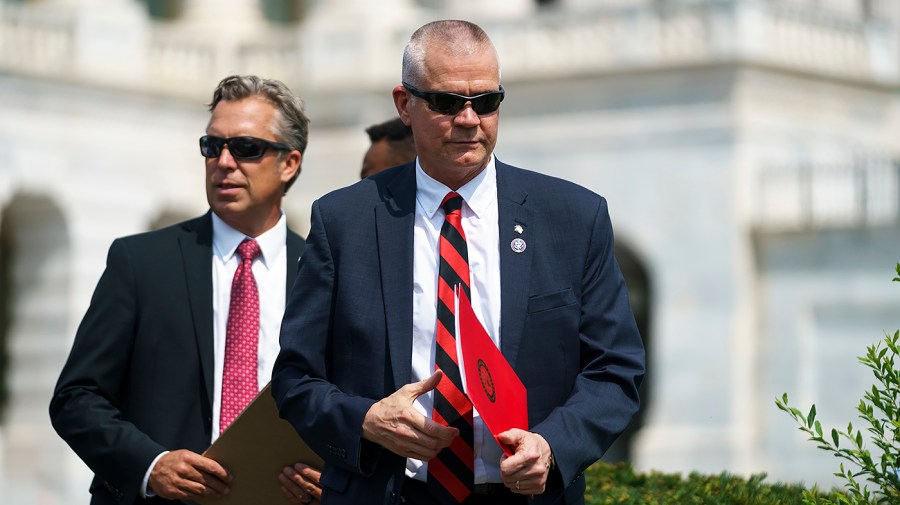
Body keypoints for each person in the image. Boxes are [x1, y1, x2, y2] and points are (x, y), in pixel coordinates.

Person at [272, 20, 645, 505]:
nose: (469, 119)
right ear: (404, 105)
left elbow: (615, 369)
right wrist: (365, 421)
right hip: (389, 492)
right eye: (447, 103)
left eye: (486, 101)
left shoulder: (574, 219)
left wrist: (553, 446)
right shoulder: (343, 221)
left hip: (522, 494)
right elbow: (296, 378)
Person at [49, 75, 321, 504]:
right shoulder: (141, 263)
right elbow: (76, 399)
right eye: (213, 147)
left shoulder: (322, 274)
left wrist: (331, 477)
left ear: (289, 163)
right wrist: (151, 465)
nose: (224, 162)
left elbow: (343, 406)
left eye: (246, 148)